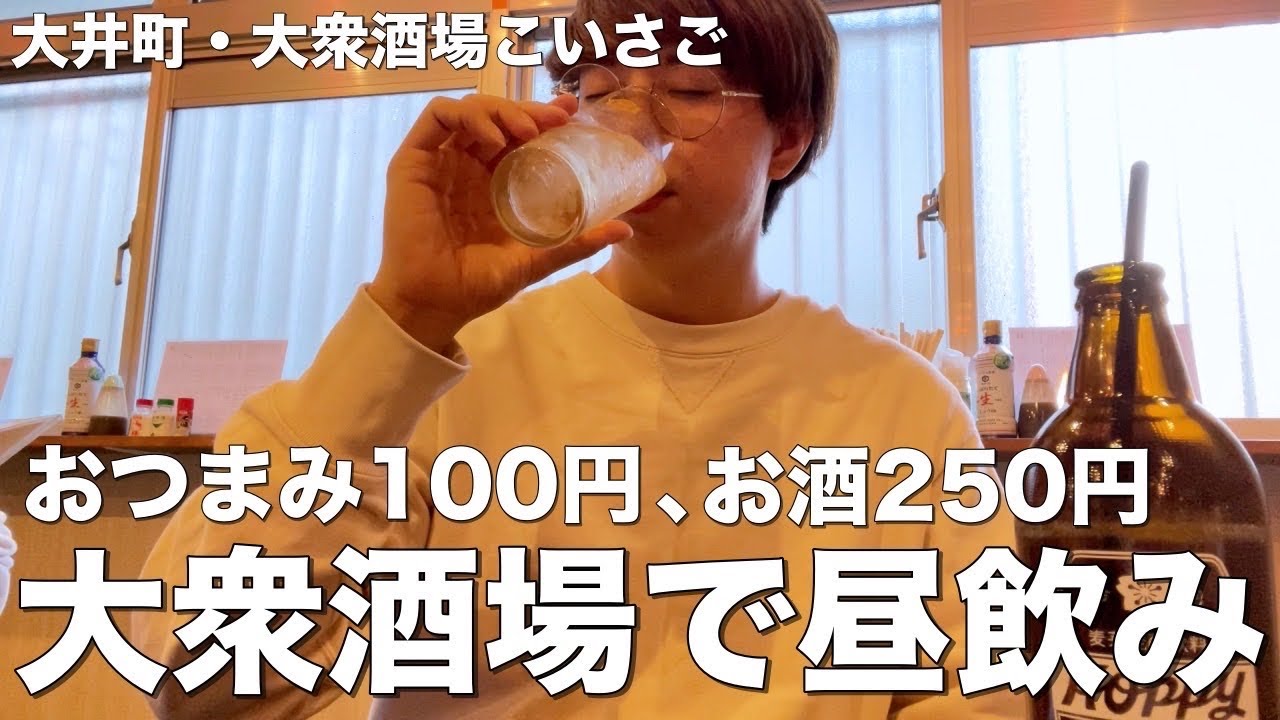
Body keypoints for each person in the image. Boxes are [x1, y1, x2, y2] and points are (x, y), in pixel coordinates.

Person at [134, 1, 1027, 718]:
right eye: (599, 91)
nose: (630, 126)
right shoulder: (445, 370)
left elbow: (971, 696)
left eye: (687, 90)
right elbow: (194, 682)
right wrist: (405, 318)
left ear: (788, 139)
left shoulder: (903, 412)